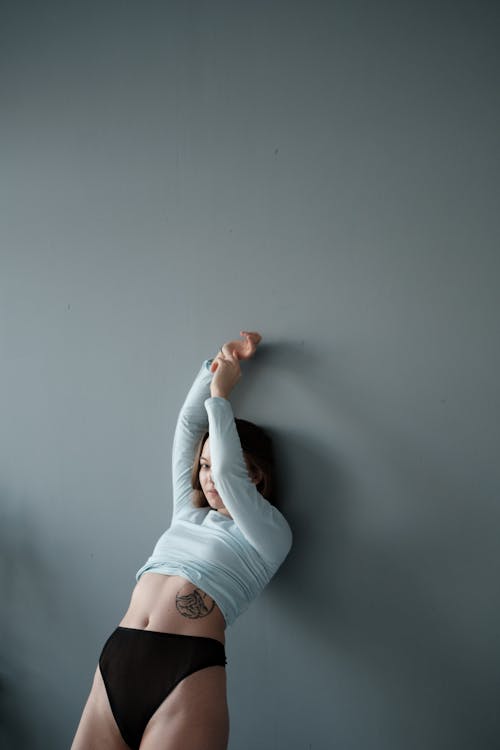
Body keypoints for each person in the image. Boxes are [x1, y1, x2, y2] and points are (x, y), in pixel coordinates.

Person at [71, 331, 292, 750]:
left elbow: (229, 474)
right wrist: (220, 361)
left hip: (186, 670)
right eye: (202, 465)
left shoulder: (269, 533)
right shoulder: (187, 513)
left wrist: (222, 393)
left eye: (216, 464)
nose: (208, 476)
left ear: (257, 475)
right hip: (117, 658)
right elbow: (189, 426)